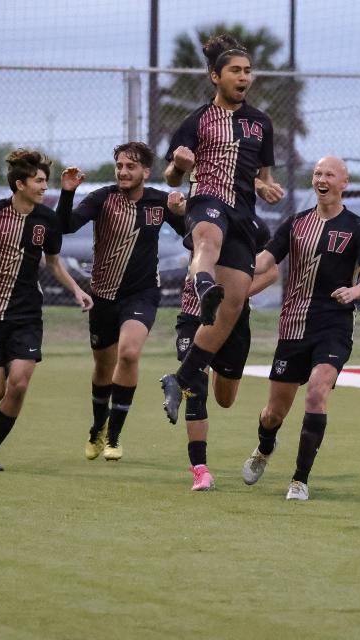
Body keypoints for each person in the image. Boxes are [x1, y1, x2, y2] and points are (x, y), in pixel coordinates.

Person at [159, 32, 285, 427]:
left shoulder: (261, 124)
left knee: (231, 309)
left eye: (248, 71)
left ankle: (178, 380)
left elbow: (263, 178)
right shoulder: (196, 120)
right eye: (235, 70)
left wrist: (267, 188)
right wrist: (179, 164)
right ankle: (201, 286)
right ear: (216, 76)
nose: (244, 77)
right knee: (207, 238)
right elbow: (172, 177)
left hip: (243, 216)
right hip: (208, 201)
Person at [240, 156, 360, 501]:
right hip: (292, 326)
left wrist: (354, 292)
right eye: (318, 173)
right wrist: (230, 261)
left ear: (344, 182)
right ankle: (264, 447)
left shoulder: (359, 228)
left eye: (329, 174)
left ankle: (300, 479)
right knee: (274, 413)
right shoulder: (295, 223)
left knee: (317, 391)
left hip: (334, 324)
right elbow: (265, 262)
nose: (322, 178)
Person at [0, 149, 93, 472]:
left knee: (19, 382)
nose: (45, 186)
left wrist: (76, 290)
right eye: (39, 181)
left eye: (46, 180)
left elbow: (53, 264)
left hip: (27, 313)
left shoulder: (47, 220)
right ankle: (0, 365)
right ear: (20, 184)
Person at [53, 142, 187, 462]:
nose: (124, 172)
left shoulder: (159, 201)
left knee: (128, 354)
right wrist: (68, 192)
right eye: (120, 166)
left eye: (131, 166)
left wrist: (182, 213)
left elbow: (191, 236)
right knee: (103, 367)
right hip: (103, 294)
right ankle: (98, 427)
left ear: (145, 171)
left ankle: (114, 435)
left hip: (141, 294)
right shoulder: (102, 198)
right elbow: (65, 226)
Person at [175, 220, 277, 490]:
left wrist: (235, 295)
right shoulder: (203, 213)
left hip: (234, 321)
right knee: (195, 389)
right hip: (193, 313)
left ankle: (215, 365)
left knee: (225, 399)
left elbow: (271, 273)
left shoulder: (255, 226)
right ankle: (200, 469)